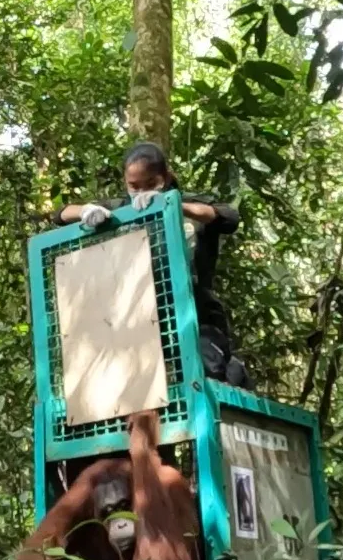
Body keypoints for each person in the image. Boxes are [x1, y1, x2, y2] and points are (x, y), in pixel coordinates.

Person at [53, 142, 253, 390]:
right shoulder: (123, 209)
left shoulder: (189, 206)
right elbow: (60, 214)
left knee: (206, 373)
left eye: (150, 184)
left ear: (166, 178)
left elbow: (228, 217)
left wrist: (172, 205)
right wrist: (85, 210)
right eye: (133, 186)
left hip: (197, 315)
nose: (141, 192)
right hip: (142, 320)